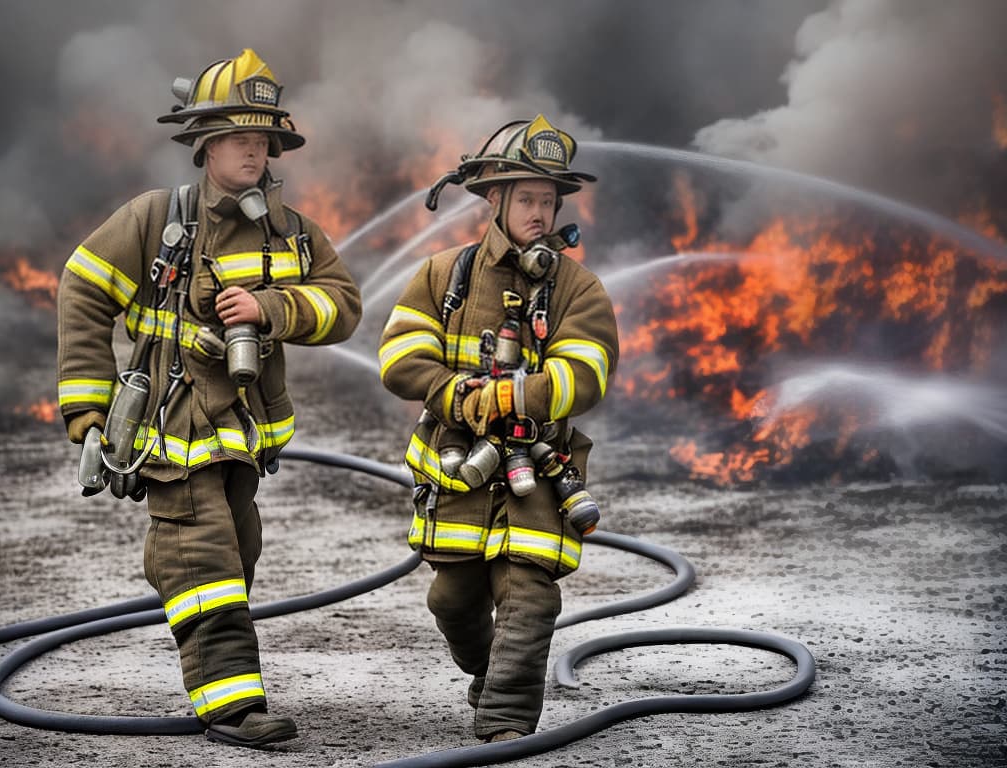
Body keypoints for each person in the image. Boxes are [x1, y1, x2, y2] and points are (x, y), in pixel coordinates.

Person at [56, 49, 361, 748]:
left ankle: (219, 672)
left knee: (238, 547)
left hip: (242, 436)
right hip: (169, 432)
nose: (254, 151)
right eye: (238, 138)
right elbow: (81, 287)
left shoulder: (291, 232)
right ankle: (231, 706)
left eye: (263, 140)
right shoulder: (158, 219)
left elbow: (343, 306)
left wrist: (271, 308)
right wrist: (88, 408)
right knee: (203, 558)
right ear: (206, 144)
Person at [378, 114, 619, 742]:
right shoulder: (444, 277)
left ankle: (505, 726)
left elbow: (588, 373)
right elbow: (399, 358)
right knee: (452, 601)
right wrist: (457, 394)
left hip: (538, 471)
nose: (540, 213)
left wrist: (517, 394)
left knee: (529, 594)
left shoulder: (579, 289)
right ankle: (491, 672)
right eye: (528, 200)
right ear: (495, 200)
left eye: (549, 200)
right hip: (460, 468)